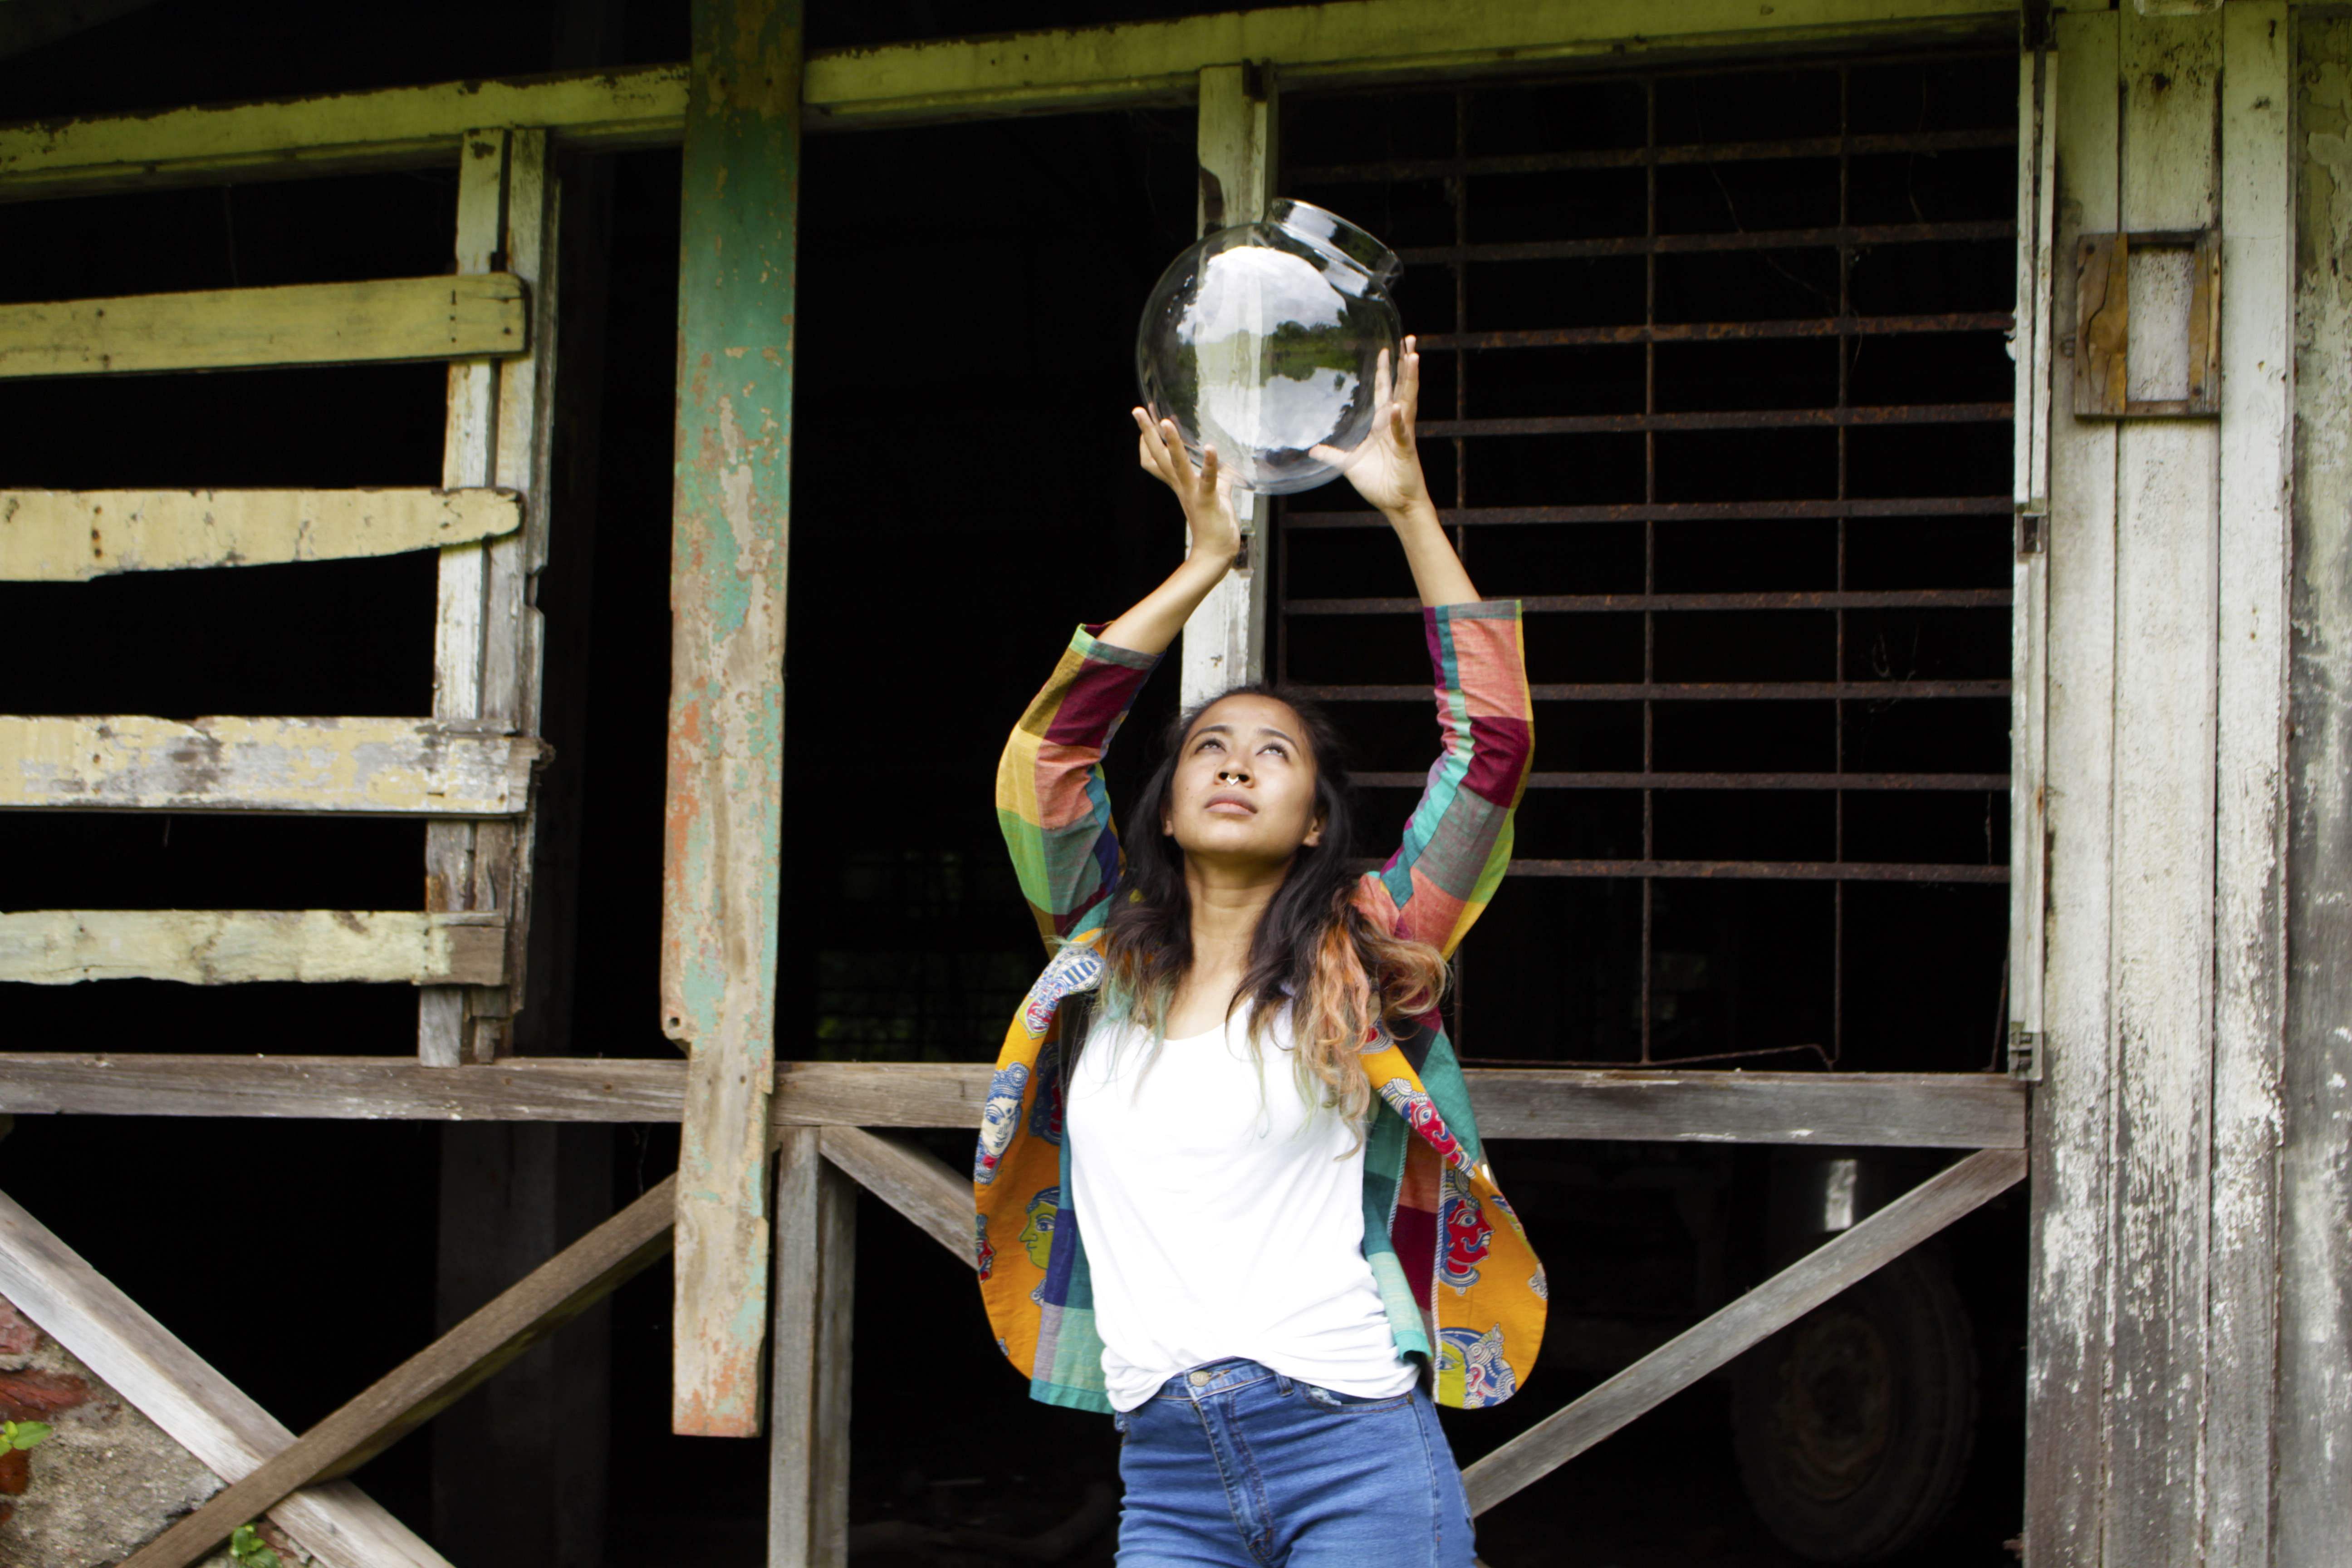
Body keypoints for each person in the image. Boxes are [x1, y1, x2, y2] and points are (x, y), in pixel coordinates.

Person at [975, 338, 1544, 1568]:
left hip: (1356, 1453)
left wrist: (1409, 509)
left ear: (1317, 824)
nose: (1237, 762)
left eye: (1273, 754)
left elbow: (1489, 750)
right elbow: (1044, 769)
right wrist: (1204, 563)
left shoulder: (1367, 951)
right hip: (1168, 1478)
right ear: (1169, 809)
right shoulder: (1101, 960)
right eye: (1209, 748)